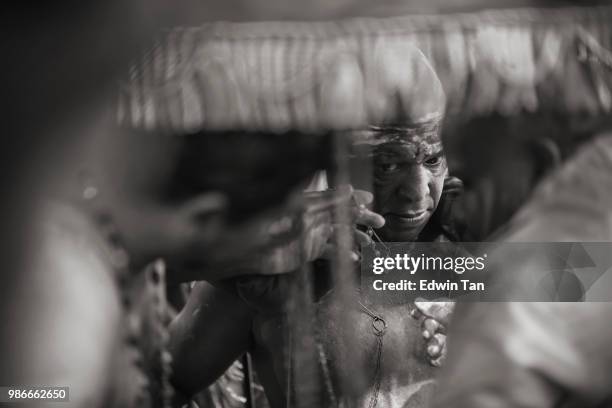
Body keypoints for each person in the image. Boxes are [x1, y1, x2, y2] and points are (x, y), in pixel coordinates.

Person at [168, 43, 461, 408]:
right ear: (334, 161)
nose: (418, 194)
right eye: (387, 165)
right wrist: (243, 251)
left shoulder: (453, 252)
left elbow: (550, 277)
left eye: (433, 160)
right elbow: (158, 388)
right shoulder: (272, 270)